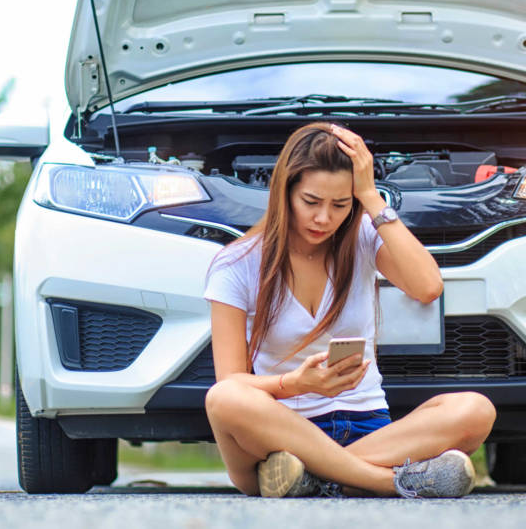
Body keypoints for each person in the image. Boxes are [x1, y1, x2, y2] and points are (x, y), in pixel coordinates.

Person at [203, 122, 496, 498]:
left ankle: (315, 478)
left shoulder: (362, 236)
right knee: (224, 399)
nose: (324, 218)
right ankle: (388, 482)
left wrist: (372, 197)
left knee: (475, 409)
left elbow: (427, 287)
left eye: (340, 204)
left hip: (367, 430)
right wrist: (294, 384)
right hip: (280, 435)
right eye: (311, 202)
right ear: (284, 192)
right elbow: (230, 381)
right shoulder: (236, 264)